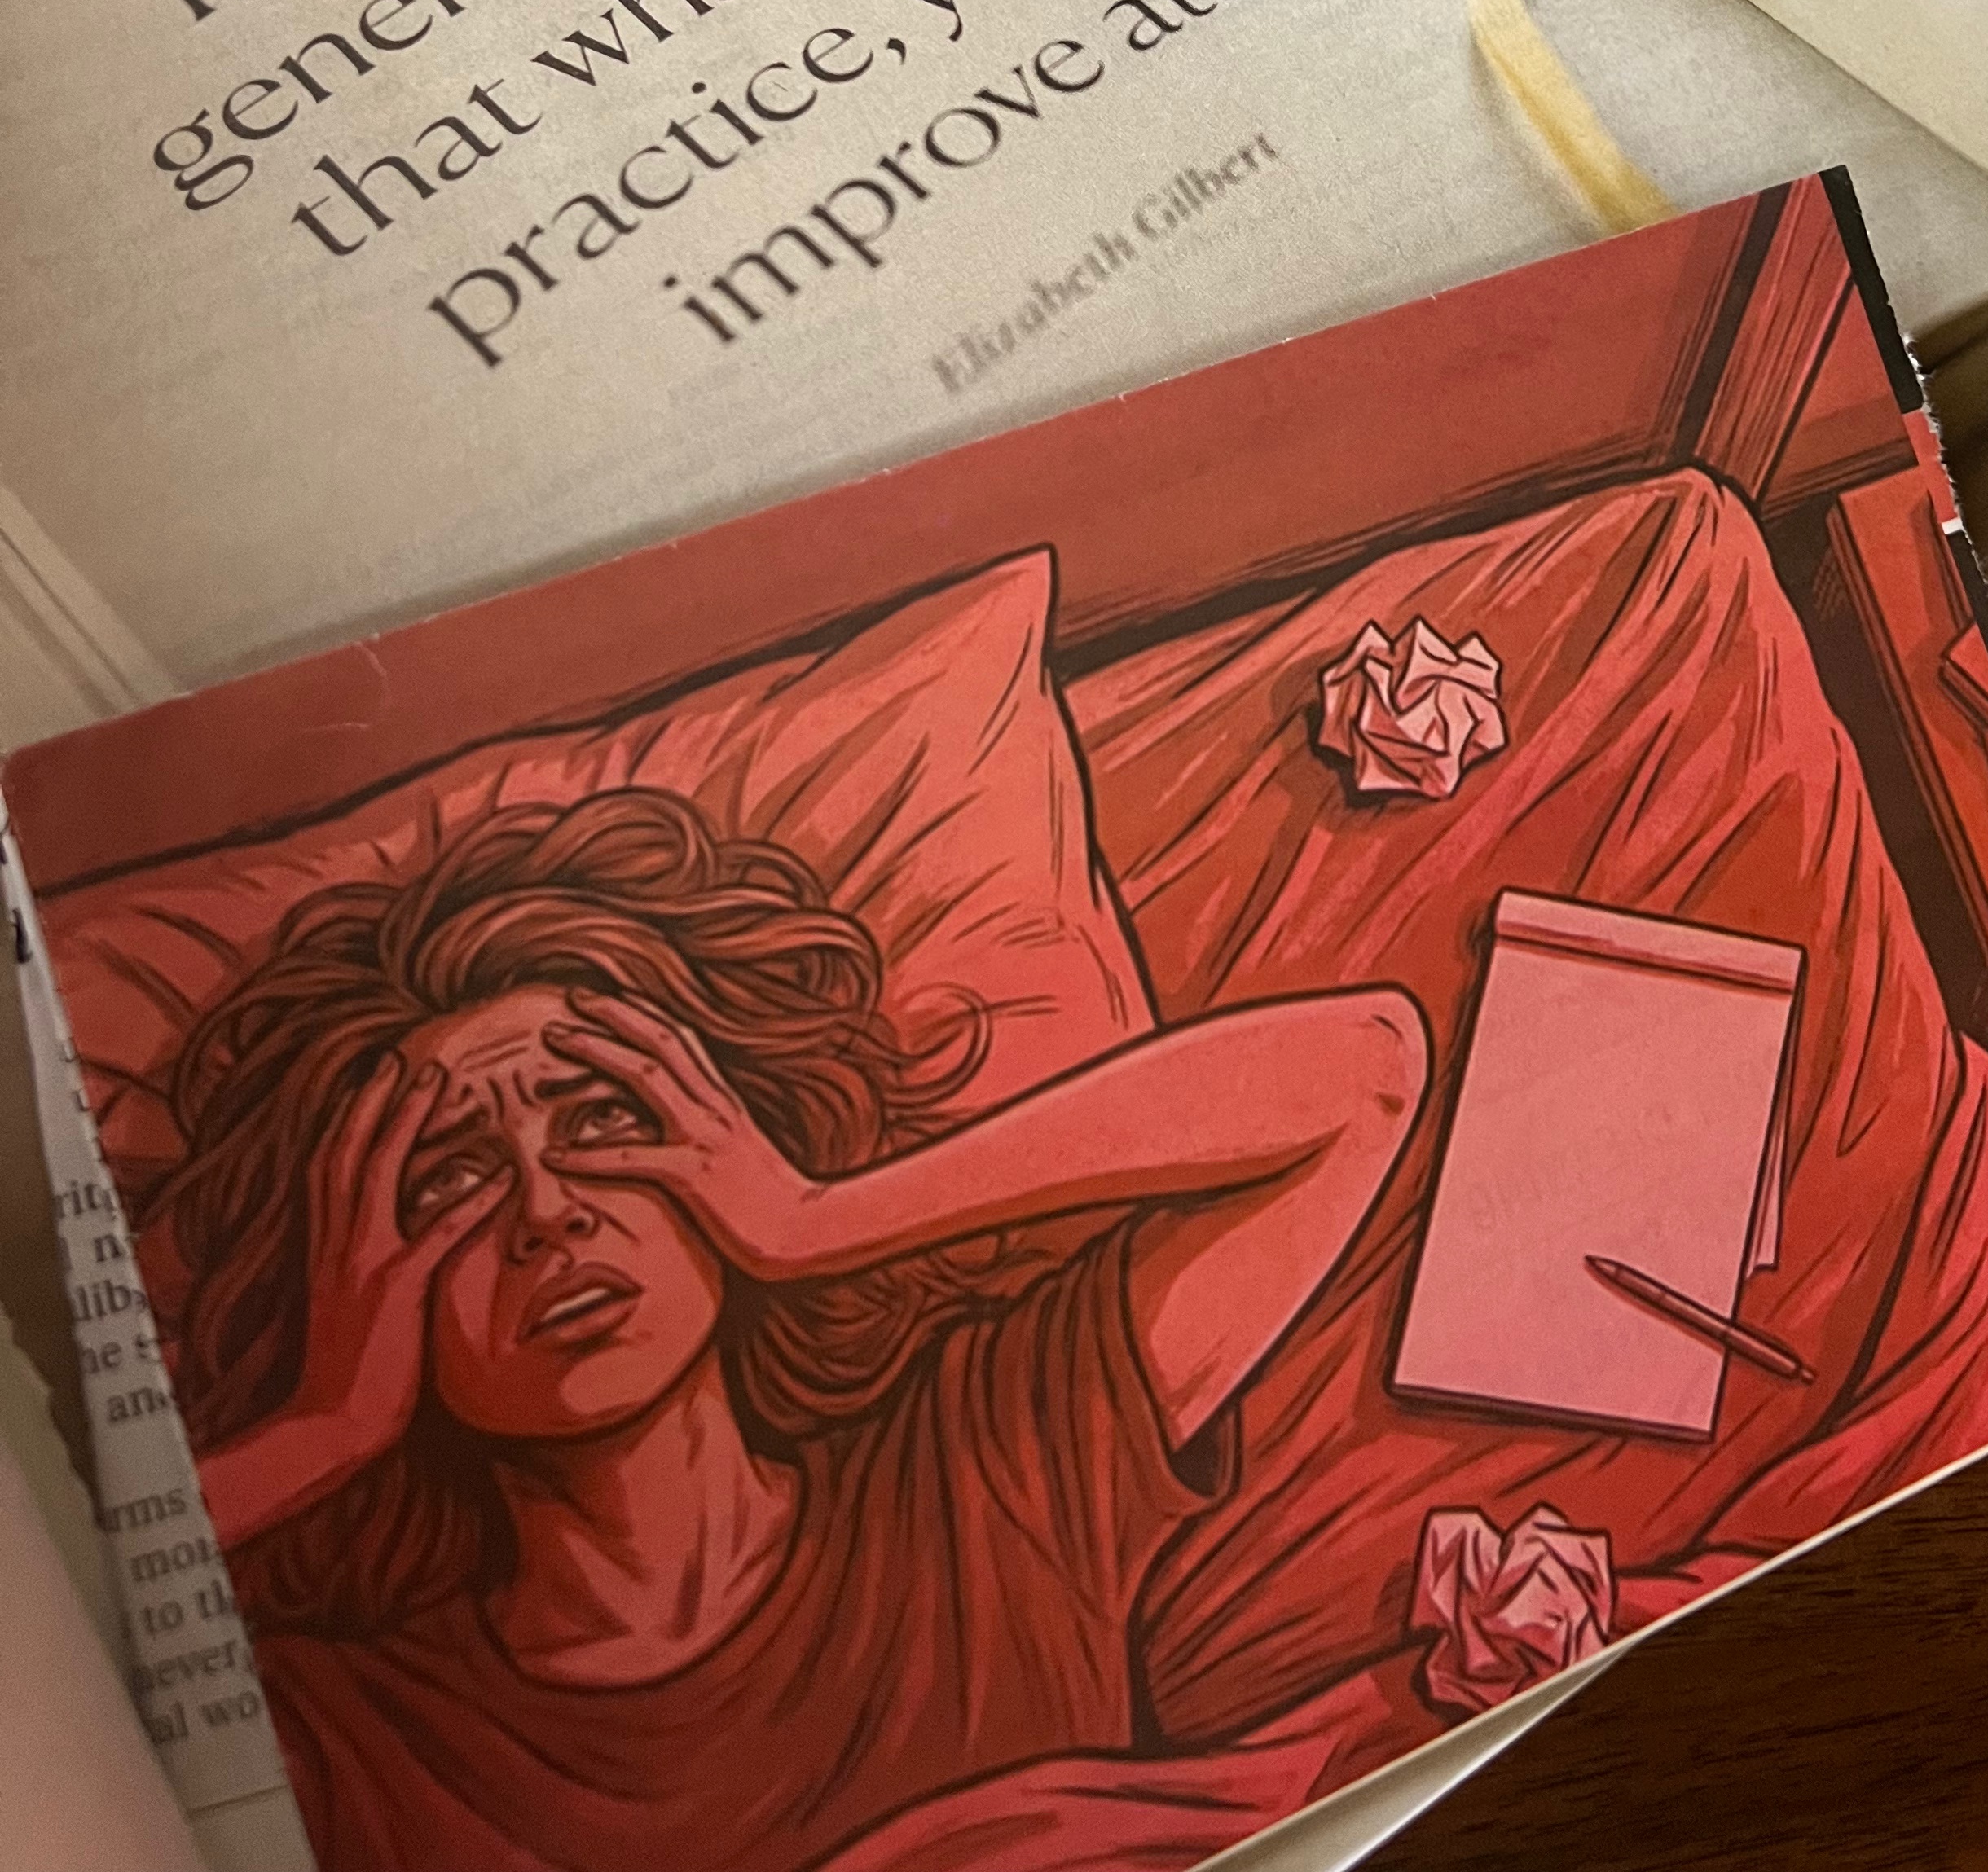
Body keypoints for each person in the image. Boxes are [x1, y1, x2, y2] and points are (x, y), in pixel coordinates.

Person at [150, 789, 1427, 1872]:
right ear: (357, 1279)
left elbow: (1361, 1072)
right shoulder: (350, 1729)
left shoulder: (990, 1465)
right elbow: (72, 1655)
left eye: (602, 1120)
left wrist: (817, 1217)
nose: (547, 1213)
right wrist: (322, 1426)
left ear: (730, 1130)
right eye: (451, 1181)